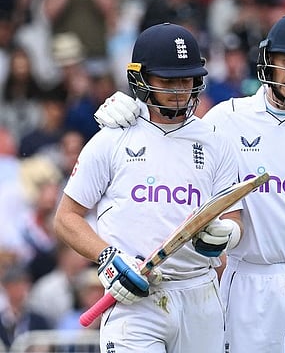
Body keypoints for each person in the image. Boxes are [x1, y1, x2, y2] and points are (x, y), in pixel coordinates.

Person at [93, 15, 285, 352]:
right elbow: (173, 139)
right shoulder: (225, 118)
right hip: (249, 279)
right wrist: (134, 111)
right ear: (269, 59)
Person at [54, 23, 243, 353]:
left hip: (200, 294)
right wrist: (108, 259)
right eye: (167, 81)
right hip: (134, 295)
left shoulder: (216, 143)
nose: (179, 90)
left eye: (186, 79)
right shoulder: (111, 138)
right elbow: (66, 218)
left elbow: (234, 218)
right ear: (141, 79)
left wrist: (226, 233)